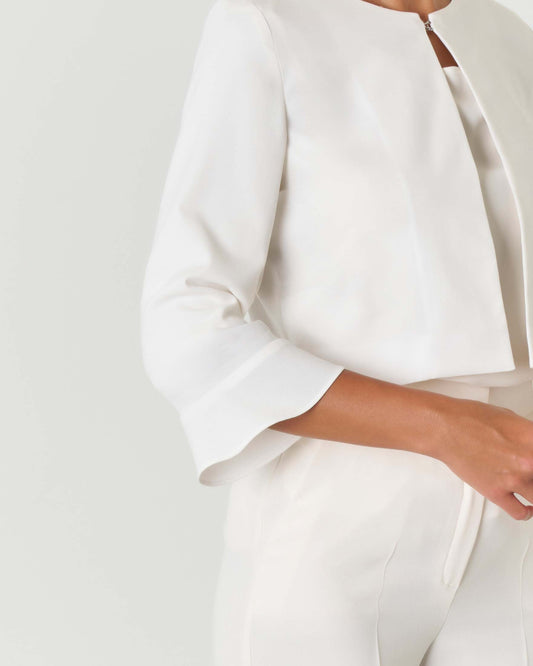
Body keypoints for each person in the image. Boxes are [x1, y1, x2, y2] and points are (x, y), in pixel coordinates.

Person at [140, 0, 533, 662]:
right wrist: (446, 430)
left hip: (517, 521)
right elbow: (187, 318)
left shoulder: (509, 35)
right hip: (336, 523)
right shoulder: (267, 26)